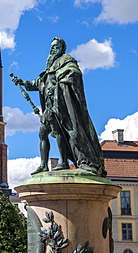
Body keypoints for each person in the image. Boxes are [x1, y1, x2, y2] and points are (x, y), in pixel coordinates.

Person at [12, 37, 106, 177]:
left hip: (60, 106)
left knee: (60, 133)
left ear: (62, 48)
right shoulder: (50, 66)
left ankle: (64, 162)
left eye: (55, 47)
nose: (52, 49)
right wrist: (23, 82)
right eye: (51, 47)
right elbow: (39, 83)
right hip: (49, 107)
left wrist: (60, 79)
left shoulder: (66, 60)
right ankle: (43, 165)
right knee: (42, 133)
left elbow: (74, 73)